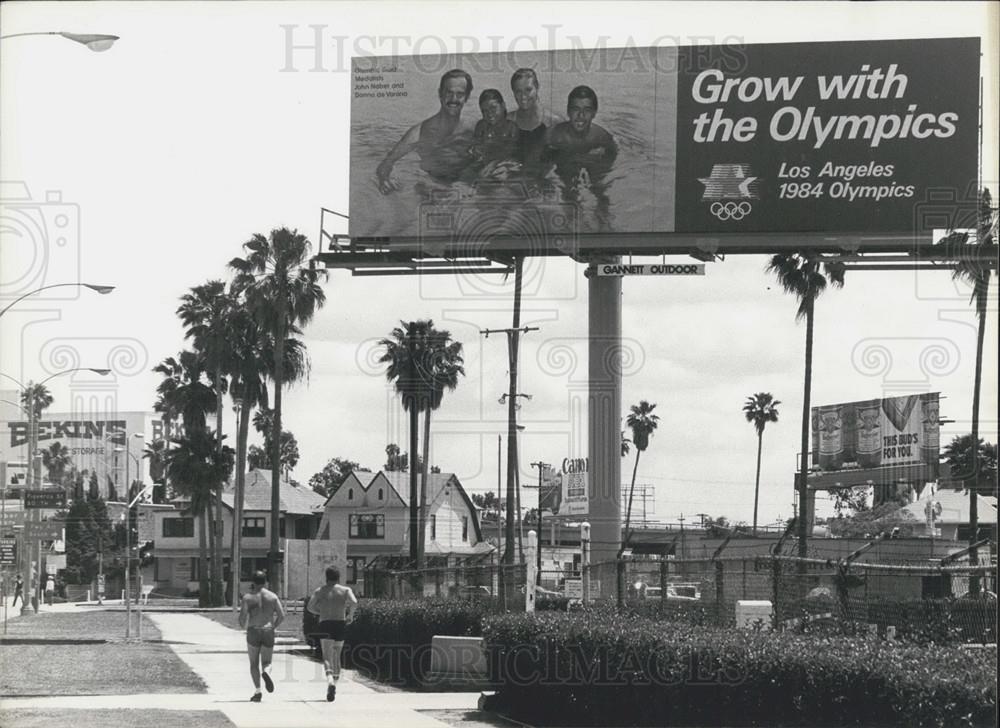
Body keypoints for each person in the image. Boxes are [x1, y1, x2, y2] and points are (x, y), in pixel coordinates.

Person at [375, 69, 476, 193]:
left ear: (467, 97)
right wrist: (384, 180)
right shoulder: (419, 133)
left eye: (459, 94)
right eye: (448, 93)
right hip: (431, 190)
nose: (453, 99)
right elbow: (385, 165)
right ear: (440, 94)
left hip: (464, 189)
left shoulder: (473, 130)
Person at [543, 85, 618, 184]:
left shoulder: (602, 137)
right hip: (565, 165)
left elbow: (613, 155)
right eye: (576, 109)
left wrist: (600, 164)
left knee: (599, 189)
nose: (581, 115)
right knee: (568, 186)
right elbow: (538, 161)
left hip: (591, 164)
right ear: (568, 111)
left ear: (594, 113)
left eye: (586, 110)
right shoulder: (553, 135)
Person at [306, 565, 358, 703]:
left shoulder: (320, 591)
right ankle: (334, 683)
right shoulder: (345, 590)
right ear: (339, 577)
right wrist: (350, 615)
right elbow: (354, 602)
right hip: (340, 623)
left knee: (327, 656)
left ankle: (329, 681)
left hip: (325, 624)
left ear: (326, 577)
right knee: (337, 655)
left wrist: (320, 612)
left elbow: (310, 606)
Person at [238, 570, 285, 703]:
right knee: (267, 662)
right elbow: (282, 616)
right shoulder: (273, 597)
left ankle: (258, 691)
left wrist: (242, 625)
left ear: (253, 582)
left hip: (253, 630)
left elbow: (242, 617)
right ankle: (266, 672)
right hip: (268, 630)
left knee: (253, 663)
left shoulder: (248, 597)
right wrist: (273, 627)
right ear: (265, 582)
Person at [509, 68, 563, 168]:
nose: (523, 96)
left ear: (537, 87)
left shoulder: (554, 122)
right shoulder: (508, 121)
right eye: (518, 91)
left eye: (528, 90)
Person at [469, 89, 519, 166]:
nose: (489, 113)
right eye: (484, 111)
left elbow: (513, 152)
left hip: (504, 164)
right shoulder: (481, 126)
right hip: (484, 164)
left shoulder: (512, 127)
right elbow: (475, 146)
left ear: (503, 106)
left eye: (493, 108)